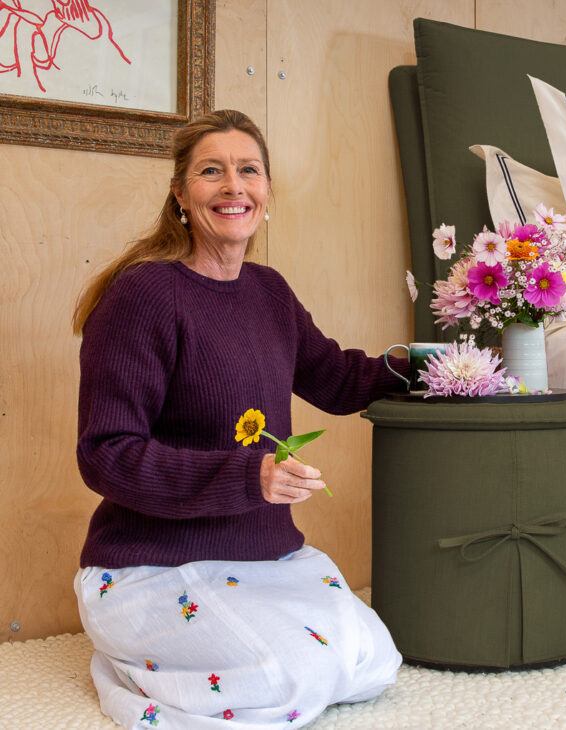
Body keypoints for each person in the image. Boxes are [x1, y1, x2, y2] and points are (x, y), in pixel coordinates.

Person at [71, 109, 407, 728]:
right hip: (152, 564)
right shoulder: (143, 295)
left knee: (372, 666)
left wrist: (428, 365)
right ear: (180, 194)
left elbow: (334, 377)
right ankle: (125, 668)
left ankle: (171, 662)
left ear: (267, 191)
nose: (234, 187)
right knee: (290, 680)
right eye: (211, 172)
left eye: (248, 170)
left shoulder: (268, 292)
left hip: (261, 555)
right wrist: (245, 477)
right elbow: (106, 452)